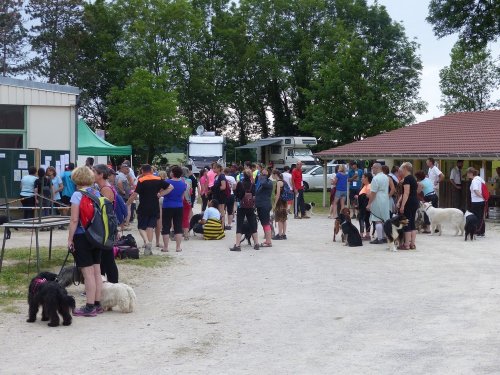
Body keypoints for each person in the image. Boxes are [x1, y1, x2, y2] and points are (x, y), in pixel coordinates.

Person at [67, 166, 103, 317]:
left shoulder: (77, 195)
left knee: (87, 274)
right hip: (97, 237)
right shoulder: (96, 192)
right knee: (96, 272)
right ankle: (97, 303)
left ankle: (89, 307)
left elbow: (74, 219)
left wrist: (70, 239)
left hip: (82, 237)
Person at [127, 164, 171, 255]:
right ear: (151, 171)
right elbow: (171, 187)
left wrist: (127, 203)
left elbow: (135, 194)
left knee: (141, 227)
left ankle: (147, 242)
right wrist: (161, 194)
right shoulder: (158, 179)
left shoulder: (141, 180)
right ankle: (149, 248)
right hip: (155, 206)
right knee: (150, 227)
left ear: (142, 171)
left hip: (144, 206)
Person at [93, 164, 119, 283]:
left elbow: (105, 210)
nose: (91, 174)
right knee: (102, 258)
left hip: (106, 226)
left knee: (107, 258)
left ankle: (113, 283)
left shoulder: (105, 189)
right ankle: (101, 283)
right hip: (105, 225)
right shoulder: (103, 187)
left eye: (94, 172)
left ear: (101, 175)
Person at [230, 170, 259, 251]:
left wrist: (235, 190)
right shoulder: (252, 184)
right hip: (250, 207)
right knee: (253, 224)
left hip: (241, 206)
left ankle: (237, 245)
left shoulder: (240, 183)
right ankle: (256, 244)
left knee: (239, 225)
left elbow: (237, 195)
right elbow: (254, 195)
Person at [161, 165, 186, 252]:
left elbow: (161, 192)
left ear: (172, 173)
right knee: (178, 227)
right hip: (179, 206)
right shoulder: (183, 184)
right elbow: (182, 197)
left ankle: (165, 247)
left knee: (166, 226)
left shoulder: (167, 182)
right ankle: (178, 247)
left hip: (167, 205)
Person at [397, 162, 419, 250]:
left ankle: (406, 244)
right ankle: (412, 244)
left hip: (408, 202)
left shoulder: (406, 179)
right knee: (412, 223)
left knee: (405, 223)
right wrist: (399, 201)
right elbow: (405, 193)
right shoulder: (413, 178)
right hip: (415, 201)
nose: (401, 171)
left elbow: (406, 193)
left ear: (405, 168)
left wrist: (402, 206)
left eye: (401, 169)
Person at [367, 163, 390, 244]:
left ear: (376, 168)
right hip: (385, 199)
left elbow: (373, 193)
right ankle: (384, 237)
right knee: (384, 219)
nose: (372, 170)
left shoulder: (375, 178)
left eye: (373, 168)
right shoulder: (386, 177)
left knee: (377, 219)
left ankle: (380, 238)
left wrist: (369, 203)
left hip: (378, 199)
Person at [255, 167, 273, 247]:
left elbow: (263, 183)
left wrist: (264, 176)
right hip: (261, 205)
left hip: (264, 205)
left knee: (266, 223)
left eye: (263, 173)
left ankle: (268, 242)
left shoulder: (268, 183)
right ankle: (267, 240)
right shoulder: (262, 182)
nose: (260, 175)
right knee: (264, 223)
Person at [467, 167, 486, 237]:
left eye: (468, 173)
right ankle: (482, 231)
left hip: (476, 201)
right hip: (481, 202)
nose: (467, 175)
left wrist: (481, 196)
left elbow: (476, 190)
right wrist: (483, 198)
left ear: (471, 173)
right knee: (481, 216)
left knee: (476, 217)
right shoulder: (480, 179)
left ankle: (478, 231)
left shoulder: (474, 181)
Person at [272, 169, 288, 240]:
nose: (272, 176)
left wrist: (274, 204)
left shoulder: (278, 183)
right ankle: (284, 234)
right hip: (284, 202)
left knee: (279, 219)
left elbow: (278, 194)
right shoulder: (283, 181)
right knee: (284, 218)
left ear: (275, 175)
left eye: (272, 174)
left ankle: (280, 234)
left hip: (280, 202)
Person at [357, 172, 372, 240]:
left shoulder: (369, 186)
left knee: (362, 219)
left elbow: (369, 196)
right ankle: (367, 234)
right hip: (363, 205)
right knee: (365, 219)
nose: (361, 178)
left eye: (363, 177)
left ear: (366, 178)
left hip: (364, 206)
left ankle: (361, 234)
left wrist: (368, 205)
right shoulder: (365, 186)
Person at [212, 164, 227, 228]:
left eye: (214, 168)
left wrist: (216, 189)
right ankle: (218, 224)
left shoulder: (222, 176)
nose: (213, 169)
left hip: (220, 196)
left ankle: (222, 226)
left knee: (221, 210)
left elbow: (223, 187)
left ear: (218, 168)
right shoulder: (216, 176)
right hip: (216, 195)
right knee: (217, 210)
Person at [182, 167, 193, 240]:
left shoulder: (177, 180)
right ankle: (186, 234)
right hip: (187, 200)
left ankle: (178, 232)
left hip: (179, 200)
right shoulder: (189, 180)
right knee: (186, 218)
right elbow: (190, 191)